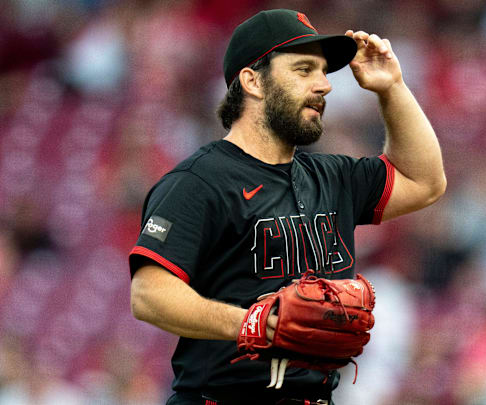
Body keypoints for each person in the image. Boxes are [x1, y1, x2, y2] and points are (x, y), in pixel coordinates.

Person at [128, 8, 445, 405]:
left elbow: (425, 181)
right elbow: (148, 295)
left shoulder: (333, 177)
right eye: (303, 70)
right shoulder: (198, 182)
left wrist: (392, 88)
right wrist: (251, 322)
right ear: (252, 81)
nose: (324, 86)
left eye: (323, 72)